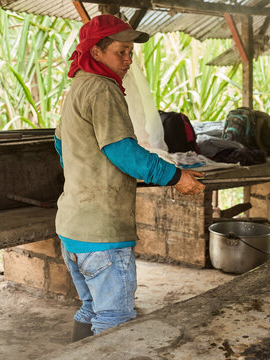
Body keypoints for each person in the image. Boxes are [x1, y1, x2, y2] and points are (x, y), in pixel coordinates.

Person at [54, 14, 205, 341]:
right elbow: (123, 151)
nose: (127, 60)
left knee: (91, 308)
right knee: (115, 321)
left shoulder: (78, 86)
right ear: (96, 52)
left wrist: (85, 172)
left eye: (131, 53)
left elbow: (61, 143)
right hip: (101, 236)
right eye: (120, 52)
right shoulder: (103, 89)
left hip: (72, 228)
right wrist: (175, 177)